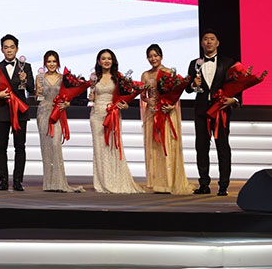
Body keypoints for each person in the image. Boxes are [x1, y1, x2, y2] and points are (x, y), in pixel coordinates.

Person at [185, 29, 237, 196]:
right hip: (201, 110)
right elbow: (187, 89)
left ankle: (223, 186)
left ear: (217, 43)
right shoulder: (195, 63)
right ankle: (204, 184)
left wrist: (234, 100)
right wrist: (193, 84)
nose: (208, 42)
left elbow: (237, 85)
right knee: (201, 147)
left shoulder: (228, 62)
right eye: (206, 39)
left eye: (212, 39)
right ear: (202, 43)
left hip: (220, 110)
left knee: (223, 148)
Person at [140, 44, 192, 194]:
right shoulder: (145, 75)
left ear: (161, 56)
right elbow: (142, 95)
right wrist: (147, 100)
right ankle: (157, 183)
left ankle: (170, 182)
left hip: (167, 112)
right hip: (152, 112)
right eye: (150, 56)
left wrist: (171, 105)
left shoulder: (169, 73)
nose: (153, 59)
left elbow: (175, 94)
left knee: (168, 145)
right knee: (154, 147)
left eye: (155, 55)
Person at [89, 48, 143, 193]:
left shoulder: (118, 78)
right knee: (99, 148)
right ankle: (102, 181)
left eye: (109, 58)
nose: (106, 61)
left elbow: (124, 97)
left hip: (112, 114)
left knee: (113, 146)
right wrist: (91, 97)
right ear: (99, 61)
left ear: (113, 61)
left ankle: (115, 180)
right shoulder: (95, 78)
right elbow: (92, 96)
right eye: (103, 58)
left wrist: (125, 105)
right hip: (96, 115)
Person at [0, 34, 35, 191]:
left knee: (20, 147)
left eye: (12, 47)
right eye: (6, 47)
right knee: (1, 147)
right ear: (1, 49)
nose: (9, 50)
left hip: (20, 111)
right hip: (2, 111)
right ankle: (3, 180)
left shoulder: (26, 67)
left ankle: (18, 181)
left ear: (17, 49)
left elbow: (31, 89)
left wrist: (24, 80)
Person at [35, 50, 82, 192]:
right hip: (44, 112)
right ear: (45, 63)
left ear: (58, 63)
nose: (51, 64)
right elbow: (38, 97)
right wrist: (38, 93)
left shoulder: (63, 79)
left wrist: (66, 104)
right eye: (49, 61)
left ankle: (59, 182)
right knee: (46, 147)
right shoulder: (39, 77)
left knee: (56, 144)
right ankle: (49, 184)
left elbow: (68, 98)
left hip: (57, 113)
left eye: (54, 61)